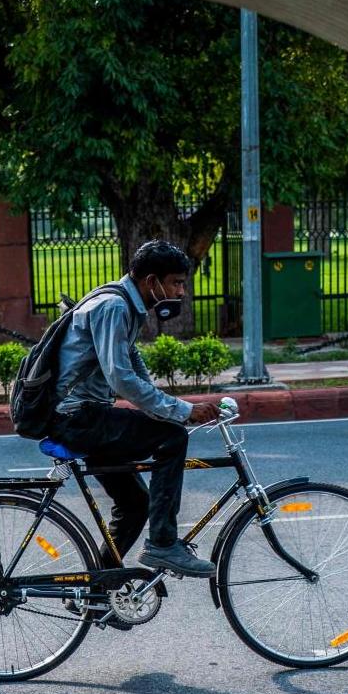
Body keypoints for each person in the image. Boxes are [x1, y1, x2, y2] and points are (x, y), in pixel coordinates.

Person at [48, 239, 222, 578]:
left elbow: (133, 365)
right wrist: (182, 412)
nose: (181, 292)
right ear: (151, 281)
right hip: (77, 417)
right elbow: (121, 378)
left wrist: (166, 407)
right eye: (176, 283)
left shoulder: (125, 304)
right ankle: (162, 544)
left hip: (86, 416)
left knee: (134, 505)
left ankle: (97, 589)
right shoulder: (114, 306)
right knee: (171, 438)